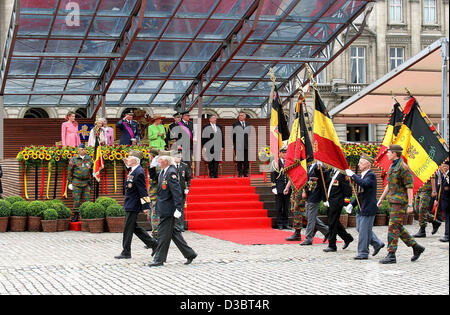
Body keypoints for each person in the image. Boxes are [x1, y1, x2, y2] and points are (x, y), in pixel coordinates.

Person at [377, 144, 425, 264]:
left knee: (393, 227)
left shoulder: (403, 167)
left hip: (400, 202)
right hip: (393, 201)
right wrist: (381, 198)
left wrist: (410, 204)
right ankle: (416, 246)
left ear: (394, 153)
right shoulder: (393, 166)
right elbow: (389, 184)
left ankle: (391, 254)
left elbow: (409, 187)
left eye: (389, 152)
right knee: (397, 226)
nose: (387, 154)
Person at [149, 154, 197, 267]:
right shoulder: (163, 171)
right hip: (164, 207)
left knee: (163, 235)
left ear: (166, 161)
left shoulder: (171, 172)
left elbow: (177, 192)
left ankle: (159, 259)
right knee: (174, 233)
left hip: (168, 209)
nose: (159, 163)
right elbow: (154, 177)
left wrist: (178, 208)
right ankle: (189, 254)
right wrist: (152, 166)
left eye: (160, 161)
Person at [115, 150, 158, 259]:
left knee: (128, 228)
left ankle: (126, 251)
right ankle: (153, 243)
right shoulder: (134, 170)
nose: (127, 159)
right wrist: (127, 164)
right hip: (130, 203)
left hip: (133, 204)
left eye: (129, 158)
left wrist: (145, 206)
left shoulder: (138, 172)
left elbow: (143, 190)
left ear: (135, 160)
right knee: (133, 227)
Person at [345, 154, 384, 260]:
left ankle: (363, 252)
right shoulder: (362, 175)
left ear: (368, 164)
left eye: (361, 163)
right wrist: (351, 204)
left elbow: (364, 184)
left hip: (368, 207)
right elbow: (359, 194)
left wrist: (353, 175)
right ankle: (377, 243)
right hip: (361, 206)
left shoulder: (371, 175)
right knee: (360, 228)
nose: (359, 164)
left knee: (363, 231)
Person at [322, 168, 354, 253]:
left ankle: (332, 245)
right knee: (334, 222)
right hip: (330, 200)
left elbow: (347, 190)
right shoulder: (332, 172)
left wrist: (346, 203)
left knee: (332, 223)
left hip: (337, 202)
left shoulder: (342, 174)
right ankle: (347, 238)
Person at [300, 162, 329, 246]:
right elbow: (307, 179)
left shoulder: (319, 166)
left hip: (316, 195)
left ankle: (308, 238)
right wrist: (304, 191)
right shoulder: (309, 166)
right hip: (309, 194)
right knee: (308, 216)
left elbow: (322, 181)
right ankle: (327, 231)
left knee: (311, 218)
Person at [67, 144, 93, 222]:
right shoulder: (73, 159)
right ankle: (75, 215)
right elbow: (69, 171)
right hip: (76, 182)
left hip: (86, 183)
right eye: (82, 149)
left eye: (84, 149)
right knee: (76, 200)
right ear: (78, 150)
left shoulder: (89, 159)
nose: (83, 151)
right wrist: (70, 182)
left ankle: (86, 216)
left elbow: (92, 169)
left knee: (87, 200)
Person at [271, 147, 291, 229]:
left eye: (286, 153)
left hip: (287, 188)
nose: (285, 154)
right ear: (280, 153)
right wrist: (273, 187)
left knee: (286, 207)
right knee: (279, 207)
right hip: (279, 188)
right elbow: (273, 175)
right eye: (283, 153)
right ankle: (279, 223)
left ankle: (286, 223)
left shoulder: (289, 162)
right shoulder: (275, 163)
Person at [173, 151, 191, 232]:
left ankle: (180, 225)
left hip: (181, 190)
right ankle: (173, 225)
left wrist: (187, 187)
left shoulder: (184, 166)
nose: (179, 158)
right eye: (178, 157)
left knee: (181, 208)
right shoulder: (171, 166)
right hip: (172, 190)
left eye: (180, 157)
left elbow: (188, 178)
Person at [232, 112, 251, 177]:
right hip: (238, 145)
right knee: (239, 160)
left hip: (246, 145)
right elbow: (233, 135)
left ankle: (245, 173)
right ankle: (240, 173)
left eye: (242, 115)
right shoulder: (235, 124)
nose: (240, 116)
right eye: (239, 115)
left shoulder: (248, 124)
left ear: (244, 117)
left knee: (246, 160)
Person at [436, 161, 449, 242]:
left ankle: (447, 235)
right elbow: (440, 188)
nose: (442, 168)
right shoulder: (443, 175)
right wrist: (437, 199)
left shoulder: (447, 175)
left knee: (448, 218)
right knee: (447, 218)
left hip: (448, 200)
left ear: (447, 167)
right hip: (444, 201)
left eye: (444, 167)